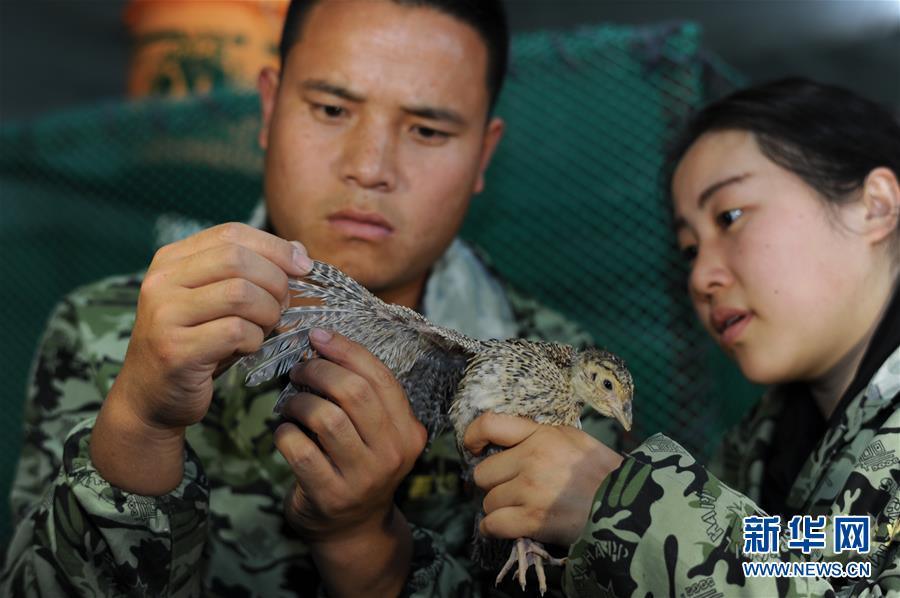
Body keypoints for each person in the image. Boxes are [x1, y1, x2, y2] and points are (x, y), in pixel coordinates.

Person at [1, 1, 616, 596]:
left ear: (483, 153)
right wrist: (141, 423)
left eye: (427, 129)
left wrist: (366, 544)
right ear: (269, 109)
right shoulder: (112, 329)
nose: (370, 167)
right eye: (330, 108)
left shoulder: (564, 389)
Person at [466, 78, 900, 596]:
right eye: (690, 249)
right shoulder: (758, 449)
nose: (699, 278)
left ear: (875, 205)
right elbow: (816, 565)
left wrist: (623, 508)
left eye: (730, 216)